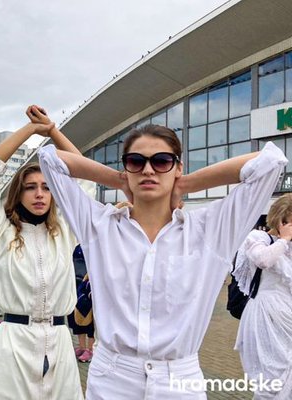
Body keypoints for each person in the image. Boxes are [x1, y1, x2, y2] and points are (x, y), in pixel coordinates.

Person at [38, 115, 287, 398]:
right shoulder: (100, 226)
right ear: (126, 167)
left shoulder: (210, 230)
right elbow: (50, 160)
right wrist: (121, 180)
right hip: (111, 379)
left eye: (161, 161)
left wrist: (184, 184)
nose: (148, 170)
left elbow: (272, 161)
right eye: (136, 161)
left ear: (178, 167)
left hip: (179, 381)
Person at [0, 106, 83, 400]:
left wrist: (53, 131)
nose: (39, 194)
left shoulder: (63, 231)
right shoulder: (0, 231)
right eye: (31, 187)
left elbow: (84, 178)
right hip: (14, 340)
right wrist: (31, 130)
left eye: (46, 188)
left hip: (60, 339)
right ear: (18, 193)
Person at [233, 194, 292, 398]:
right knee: (270, 375)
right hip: (266, 313)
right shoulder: (258, 238)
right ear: (282, 219)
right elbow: (263, 260)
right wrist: (283, 240)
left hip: (287, 315)